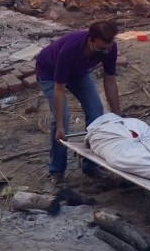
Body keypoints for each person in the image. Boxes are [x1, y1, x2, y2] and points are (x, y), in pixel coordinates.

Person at [35, 20, 122, 183]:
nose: (106, 52)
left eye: (108, 48)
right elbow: (59, 88)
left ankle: (91, 165)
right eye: (101, 48)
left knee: (96, 112)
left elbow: (110, 80)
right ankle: (57, 170)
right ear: (90, 41)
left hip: (79, 72)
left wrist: (118, 116)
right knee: (63, 120)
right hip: (50, 72)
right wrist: (60, 125)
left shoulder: (110, 48)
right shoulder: (70, 50)